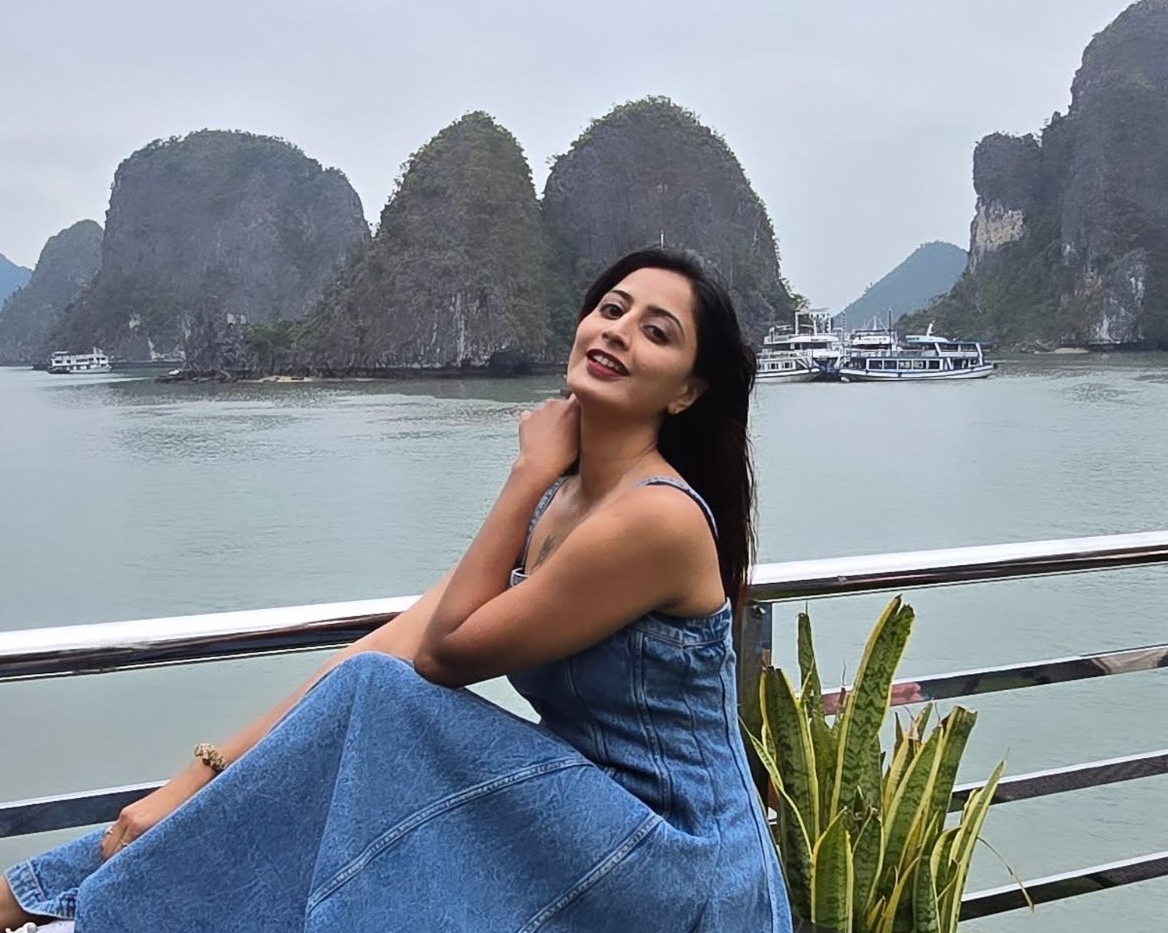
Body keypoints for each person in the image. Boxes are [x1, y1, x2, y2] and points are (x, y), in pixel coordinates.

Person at [1, 248, 792, 932]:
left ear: (686, 391)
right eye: (611, 309)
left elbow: (444, 654)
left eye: (657, 331)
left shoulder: (654, 517)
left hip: (678, 856)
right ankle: (42, 890)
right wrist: (191, 779)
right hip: (580, 819)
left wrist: (525, 470)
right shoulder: (564, 499)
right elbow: (381, 649)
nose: (618, 330)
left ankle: (76, 905)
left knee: (380, 704)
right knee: (360, 698)